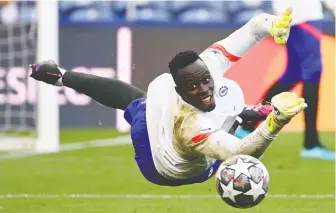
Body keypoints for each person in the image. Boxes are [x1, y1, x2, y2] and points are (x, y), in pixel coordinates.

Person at [29, 8, 306, 186]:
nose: (204, 88)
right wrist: (275, 123)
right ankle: (244, 114)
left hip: (196, 126)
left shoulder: (208, 66)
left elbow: (251, 29)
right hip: (163, 166)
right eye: (193, 87)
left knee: (147, 97)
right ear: (180, 92)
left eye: (205, 80)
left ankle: (60, 75)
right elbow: (239, 154)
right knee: (138, 105)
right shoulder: (189, 127)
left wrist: (272, 25)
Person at [235, 0, 335, 160]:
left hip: (292, 15)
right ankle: (311, 144)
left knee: (292, 74)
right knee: (312, 72)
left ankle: (247, 125)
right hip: (304, 13)